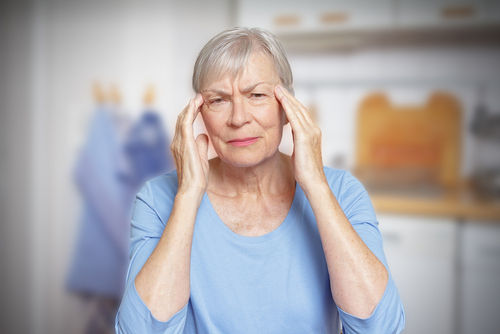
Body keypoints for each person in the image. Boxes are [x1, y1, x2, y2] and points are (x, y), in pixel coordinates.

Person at [115, 27, 405, 334]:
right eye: (218, 100)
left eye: (256, 95)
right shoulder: (158, 198)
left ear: (288, 107)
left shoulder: (343, 192)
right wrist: (188, 193)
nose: (239, 118)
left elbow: (380, 327)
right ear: (197, 113)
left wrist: (316, 185)